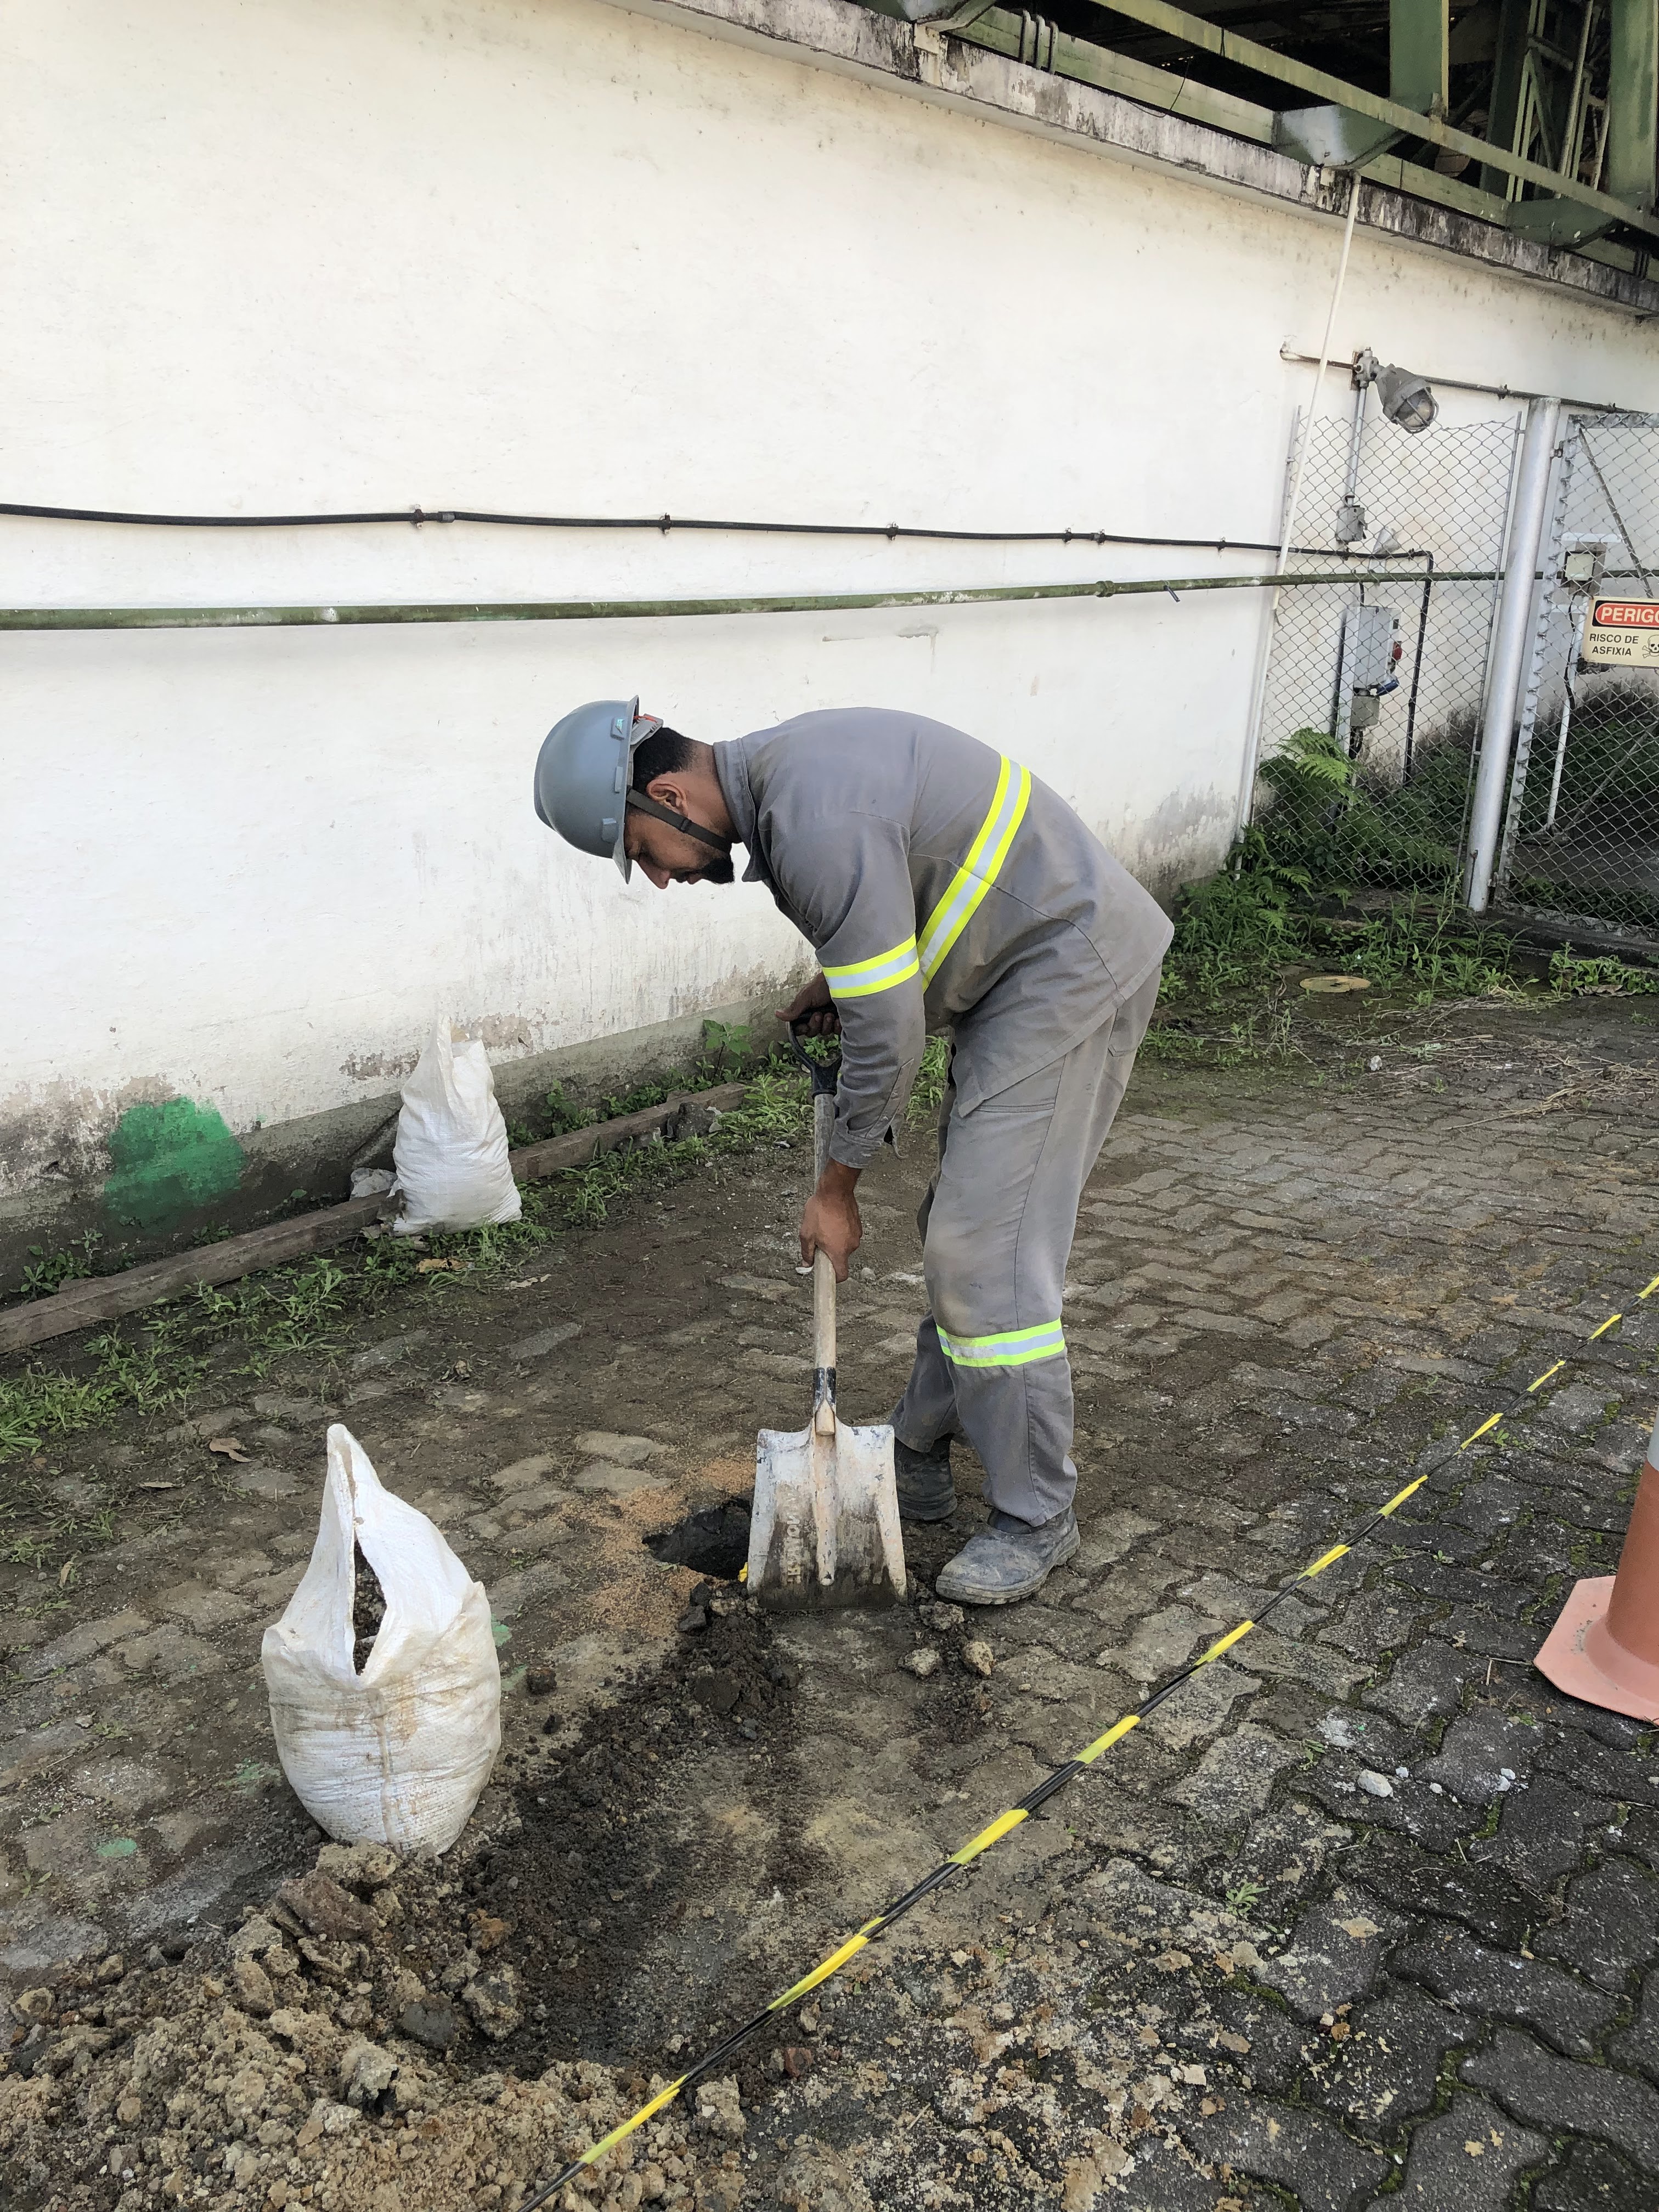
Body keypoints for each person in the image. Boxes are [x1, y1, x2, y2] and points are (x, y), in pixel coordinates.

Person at [533, 699, 1171, 1604]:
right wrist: (845, 980)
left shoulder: (810, 823)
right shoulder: (790, 786)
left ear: (669, 796)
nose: (662, 878)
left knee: (986, 1251)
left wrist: (837, 1189)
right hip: (1020, 972)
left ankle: (1037, 1515)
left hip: (1066, 970)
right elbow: (895, 918)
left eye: (645, 852)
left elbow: (890, 1036)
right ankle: (918, 1447)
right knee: (963, 1233)